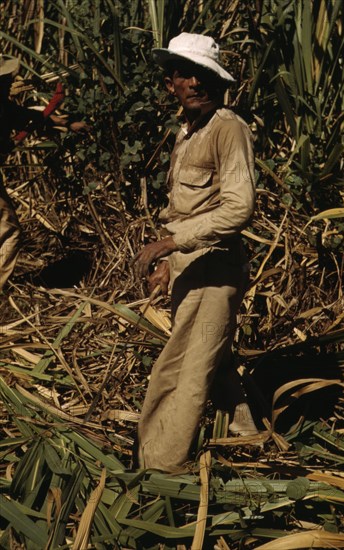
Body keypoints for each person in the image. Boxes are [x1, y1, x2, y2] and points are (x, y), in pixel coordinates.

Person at [132, 33, 258, 472]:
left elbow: (239, 207)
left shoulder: (228, 128)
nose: (196, 83)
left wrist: (170, 243)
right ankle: (250, 440)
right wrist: (171, 260)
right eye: (187, 75)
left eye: (205, 75)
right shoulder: (185, 134)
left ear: (217, 82)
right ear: (172, 85)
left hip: (215, 270)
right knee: (214, 361)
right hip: (191, 268)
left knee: (183, 368)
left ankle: (159, 467)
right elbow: (187, 208)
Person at [0, 55, 89, 291]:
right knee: (9, 232)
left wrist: (66, 124)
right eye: (5, 78)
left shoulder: (3, 106)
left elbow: (25, 117)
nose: (10, 81)